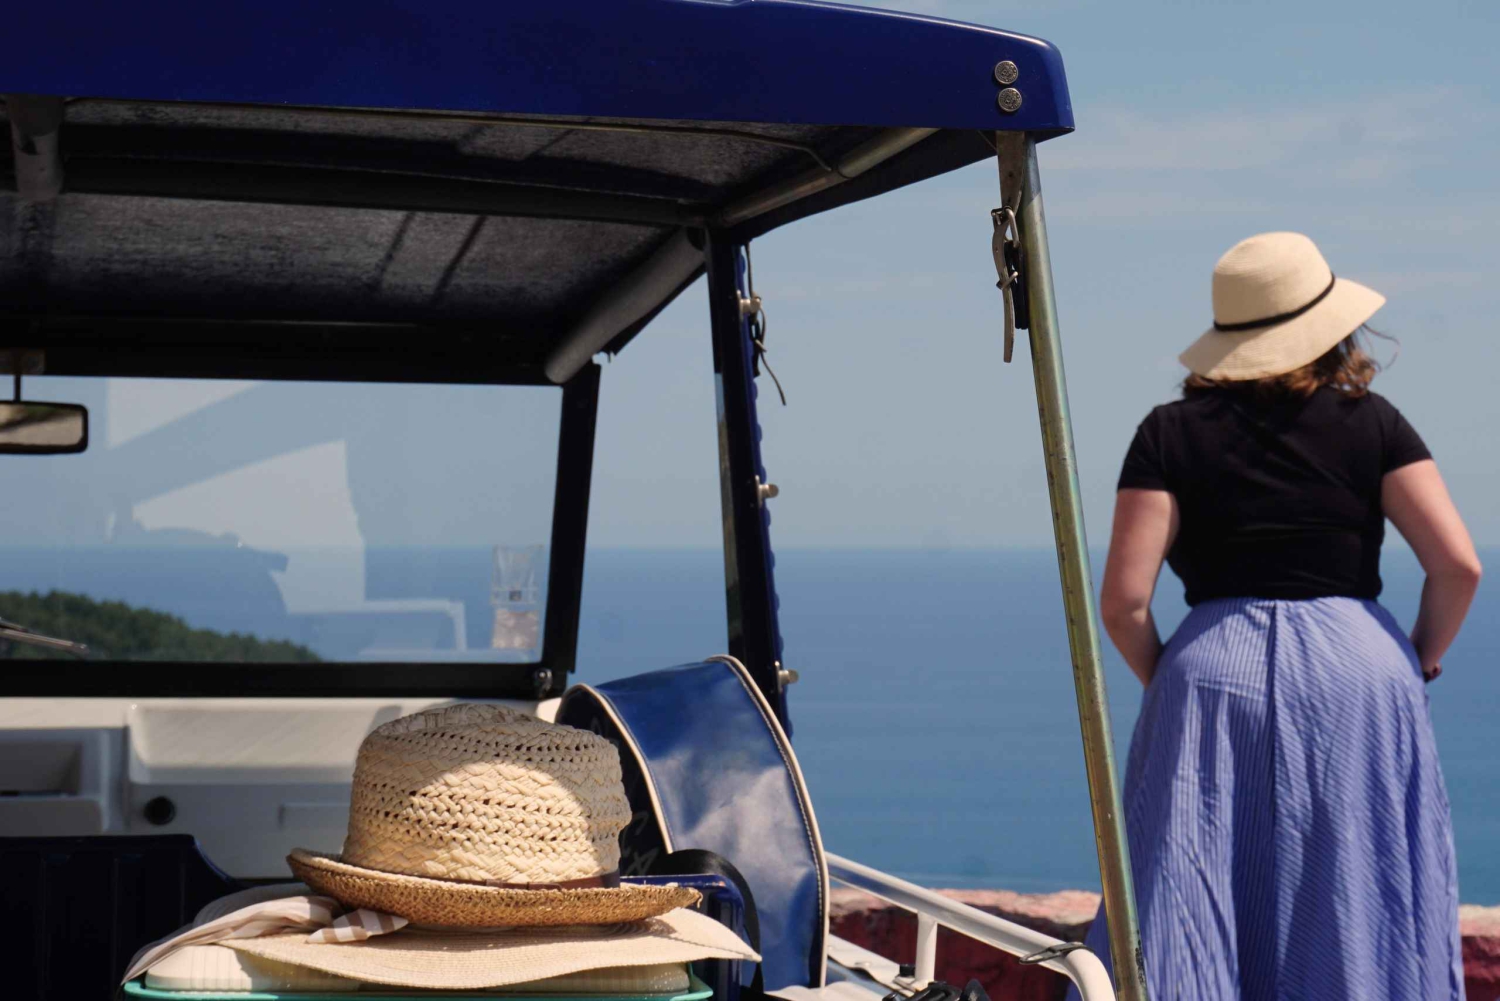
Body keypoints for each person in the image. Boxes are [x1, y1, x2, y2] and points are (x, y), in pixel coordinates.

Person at [1069, 232, 1480, 1001]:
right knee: (1360, 886)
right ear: (1332, 327)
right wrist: (1417, 659)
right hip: (1360, 670)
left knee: (1188, 885)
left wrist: (1179, 682)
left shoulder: (1166, 433)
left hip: (1210, 668)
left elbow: (1124, 602)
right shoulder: (1375, 422)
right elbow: (1458, 566)